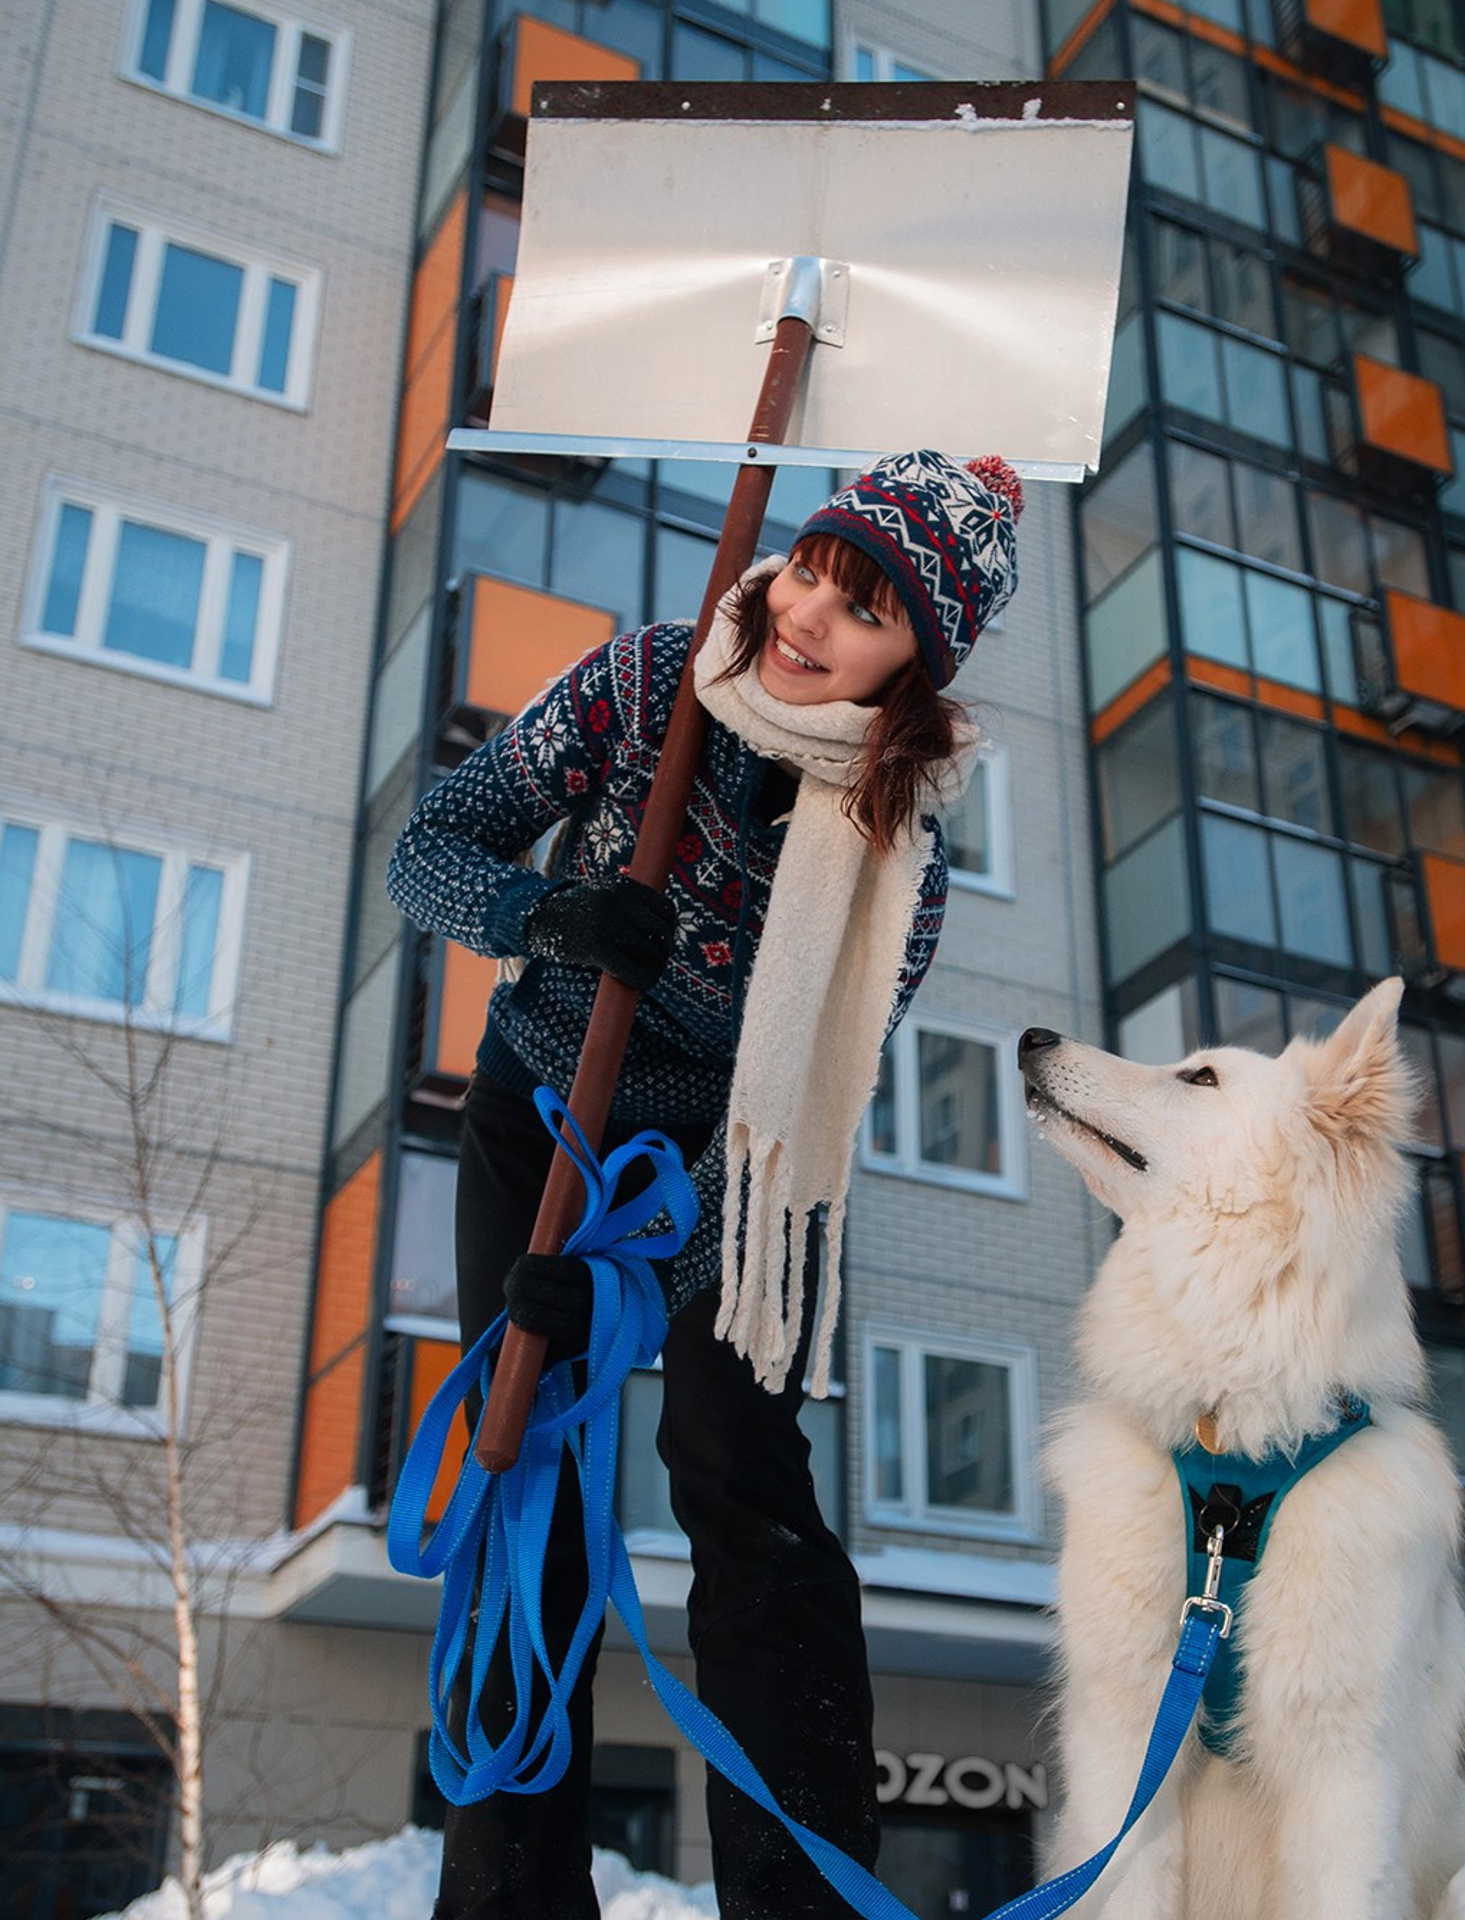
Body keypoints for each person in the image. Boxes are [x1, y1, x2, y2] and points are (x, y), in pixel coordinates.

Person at [386, 449, 1023, 1920]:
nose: (807, 617)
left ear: (915, 664)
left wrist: (625, 1292)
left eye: (865, 611)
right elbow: (429, 847)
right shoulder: (645, 683)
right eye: (812, 566)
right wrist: (542, 912)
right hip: (546, 1102)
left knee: (742, 1485)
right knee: (524, 1463)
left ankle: (798, 1889)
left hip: (733, 1177)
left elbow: (796, 1116)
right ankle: (508, 1897)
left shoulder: (888, 850)